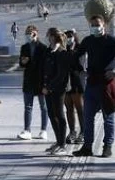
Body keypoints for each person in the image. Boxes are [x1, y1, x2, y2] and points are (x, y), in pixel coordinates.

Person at [73, 0, 115, 159]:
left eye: (97, 24)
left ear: (104, 25)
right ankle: (87, 146)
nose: (95, 27)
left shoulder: (112, 40)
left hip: (107, 84)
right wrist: (81, 70)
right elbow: (75, 56)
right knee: (87, 117)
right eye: (92, 25)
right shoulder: (88, 40)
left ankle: (107, 146)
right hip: (92, 83)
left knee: (109, 117)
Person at [40, 28, 75, 156]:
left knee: (59, 114)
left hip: (59, 88)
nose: (47, 37)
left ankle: (63, 144)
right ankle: (58, 141)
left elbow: (61, 75)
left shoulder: (62, 52)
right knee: (51, 114)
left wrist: (49, 87)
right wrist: (44, 85)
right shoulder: (49, 51)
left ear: (54, 37)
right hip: (48, 88)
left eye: (49, 35)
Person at [17, 24, 48, 140]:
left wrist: (46, 83)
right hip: (29, 80)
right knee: (28, 106)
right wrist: (23, 62)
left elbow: (46, 66)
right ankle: (27, 130)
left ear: (35, 33)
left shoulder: (43, 48)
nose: (28, 36)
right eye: (26, 33)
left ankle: (43, 130)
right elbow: (21, 63)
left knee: (43, 106)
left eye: (30, 33)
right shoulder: (24, 47)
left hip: (40, 81)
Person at [63, 29, 85, 144]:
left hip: (77, 81)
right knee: (69, 108)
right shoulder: (63, 49)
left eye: (70, 36)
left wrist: (72, 52)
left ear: (74, 37)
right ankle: (72, 131)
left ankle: (83, 132)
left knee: (80, 108)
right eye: (66, 37)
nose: (68, 38)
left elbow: (81, 66)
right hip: (66, 82)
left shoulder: (80, 48)